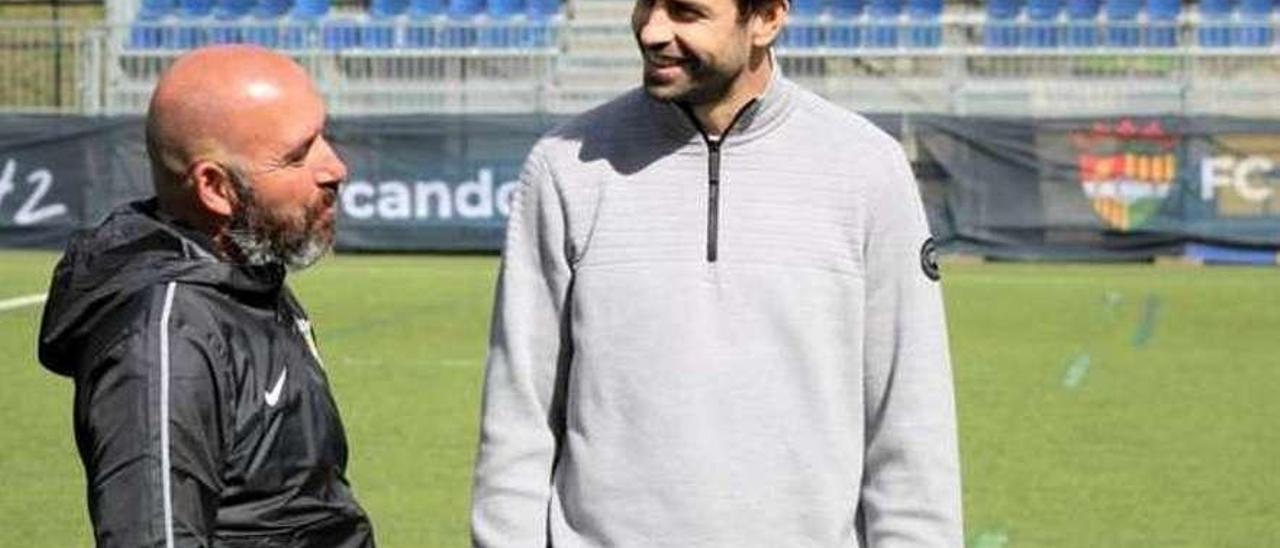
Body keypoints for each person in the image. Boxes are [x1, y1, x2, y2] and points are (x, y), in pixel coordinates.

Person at [470, 0, 962, 545]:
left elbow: (910, 418)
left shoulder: (868, 168)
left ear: (768, 19)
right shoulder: (563, 166)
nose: (653, 30)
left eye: (686, 12)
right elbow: (519, 413)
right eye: (646, 5)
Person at [37, 45, 375, 547]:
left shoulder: (245, 280)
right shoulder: (167, 338)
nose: (335, 167)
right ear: (216, 188)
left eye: (324, 135)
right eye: (298, 154)